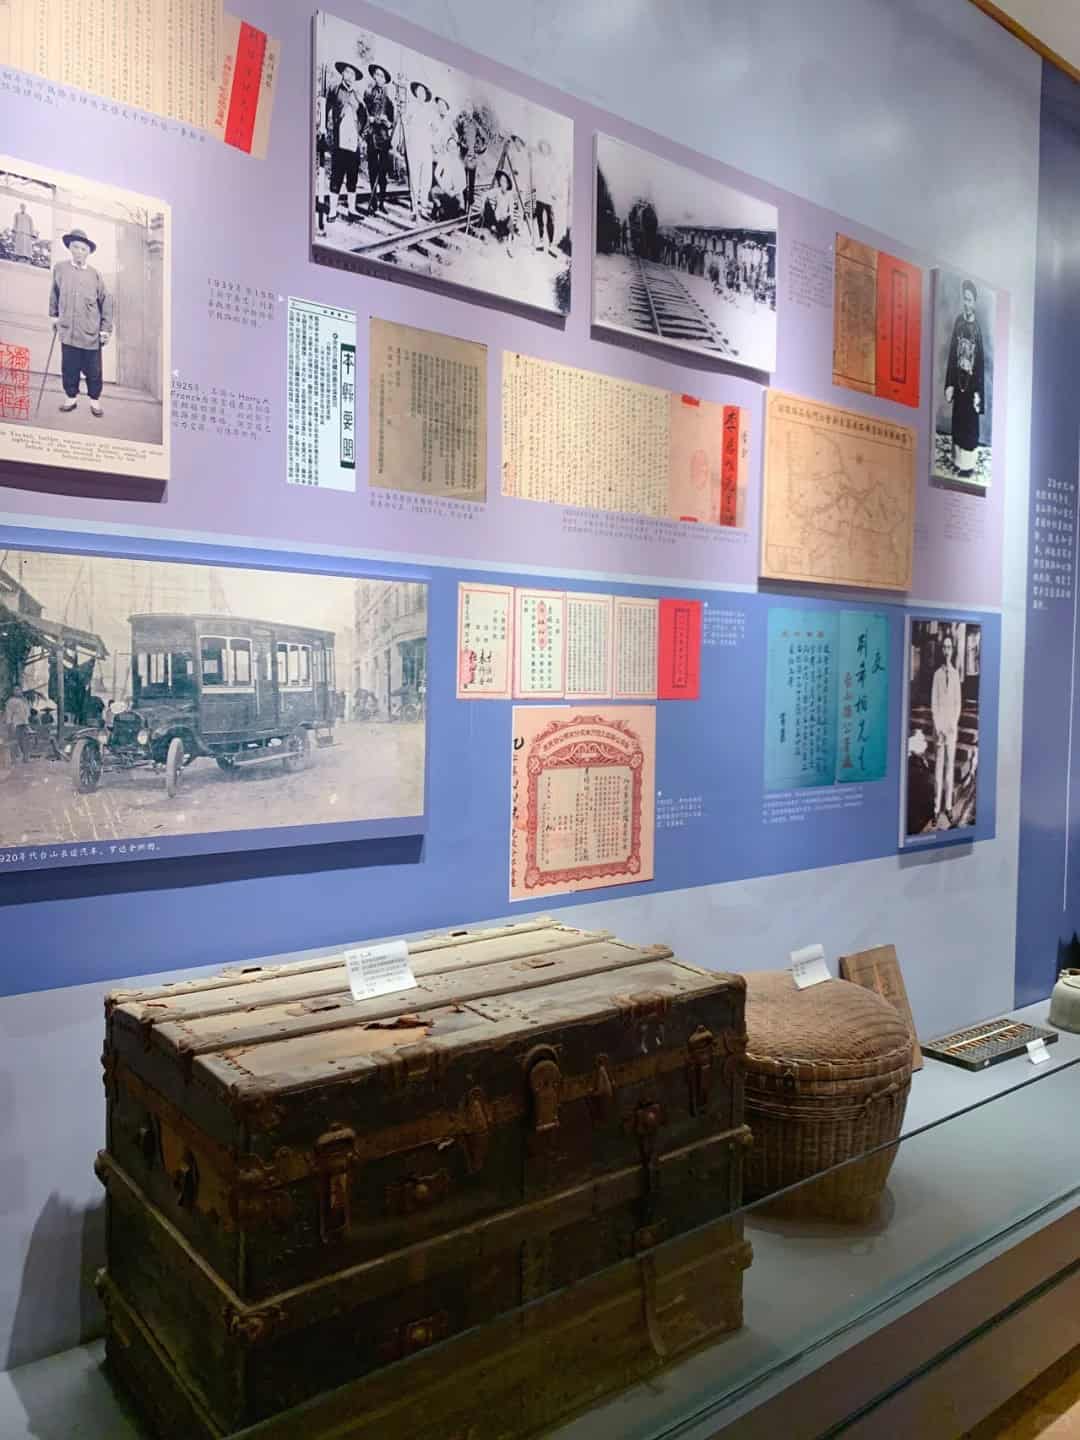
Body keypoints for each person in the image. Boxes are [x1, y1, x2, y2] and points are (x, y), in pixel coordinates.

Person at [49, 227, 112, 418]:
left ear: (88, 252)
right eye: (75, 247)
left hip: (90, 332)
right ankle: (71, 398)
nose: (79, 252)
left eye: (83, 249)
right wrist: (54, 316)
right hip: (68, 331)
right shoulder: (60, 269)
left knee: (93, 370)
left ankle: (95, 400)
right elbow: (54, 294)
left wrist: (105, 330)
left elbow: (106, 301)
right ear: (70, 248)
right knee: (69, 367)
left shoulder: (95, 274)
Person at [944, 279, 986, 478]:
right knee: (958, 420)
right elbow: (953, 354)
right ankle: (957, 461)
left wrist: (978, 393)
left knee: (969, 422)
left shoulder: (977, 330)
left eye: (969, 299)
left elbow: (980, 365)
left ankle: (968, 466)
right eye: (964, 299)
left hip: (970, 385)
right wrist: (949, 383)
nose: (966, 303)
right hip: (958, 379)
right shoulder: (958, 322)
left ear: (975, 302)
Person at [323, 61, 367, 223]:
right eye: (347, 72)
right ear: (343, 73)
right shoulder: (334, 90)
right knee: (336, 175)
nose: (349, 76)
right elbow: (326, 110)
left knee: (352, 175)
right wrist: (327, 132)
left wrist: (361, 135)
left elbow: (364, 116)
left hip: (353, 141)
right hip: (339, 139)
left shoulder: (357, 95)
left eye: (352, 74)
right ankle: (332, 211)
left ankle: (352, 209)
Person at [931, 631, 963, 825]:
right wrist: (939, 726)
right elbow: (933, 704)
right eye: (944, 647)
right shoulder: (936, 675)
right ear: (941, 650)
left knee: (950, 769)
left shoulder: (956, 674)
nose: (947, 650)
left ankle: (948, 807)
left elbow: (958, 703)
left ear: (953, 650)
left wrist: (953, 723)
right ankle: (936, 809)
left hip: (951, 730)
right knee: (938, 770)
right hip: (939, 731)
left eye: (950, 647)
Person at [363, 63, 395, 215]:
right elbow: (363, 114)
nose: (379, 78)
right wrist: (369, 119)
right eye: (377, 75)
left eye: (381, 76)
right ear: (374, 77)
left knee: (383, 172)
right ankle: (373, 201)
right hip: (371, 136)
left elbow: (391, 123)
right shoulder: (367, 94)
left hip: (383, 138)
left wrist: (385, 121)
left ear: (385, 80)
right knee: (372, 169)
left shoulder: (388, 101)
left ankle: (382, 202)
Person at [404, 80, 434, 219]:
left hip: (426, 146)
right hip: (414, 145)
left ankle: (422, 206)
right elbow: (405, 123)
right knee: (414, 177)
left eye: (423, 91)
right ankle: (414, 208)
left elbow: (434, 129)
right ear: (416, 93)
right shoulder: (410, 107)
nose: (420, 93)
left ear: (425, 94)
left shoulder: (429, 111)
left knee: (426, 178)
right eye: (418, 91)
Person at [455, 107, 486, 221]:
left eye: (470, 111)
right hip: (463, 157)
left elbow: (484, 139)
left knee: (471, 184)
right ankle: (463, 206)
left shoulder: (477, 125)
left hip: (473, 158)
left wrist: (479, 149)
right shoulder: (461, 123)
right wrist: (461, 143)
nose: (468, 113)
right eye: (467, 110)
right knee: (463, 182)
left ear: (472, 112)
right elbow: (456, 137)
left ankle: (470, 207)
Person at [530, 137, 559, 256]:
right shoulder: (538, 161)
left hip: (549, 195)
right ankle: (541, 241)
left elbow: (555, 179)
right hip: (540, 194)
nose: (543, 149)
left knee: (550, 220)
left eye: (545, 147)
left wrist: (553, 191)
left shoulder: (552, 162)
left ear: (548, 149)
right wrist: (534, 186)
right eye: (541, 148)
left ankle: (551, 244)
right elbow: (536, 176)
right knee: (540, 219)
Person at [481, 169, 516, 256]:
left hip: (503, 221)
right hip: (496, 219)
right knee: (487, 204)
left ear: (507, 184)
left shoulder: (510, 195)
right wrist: (482, 205)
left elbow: (511, 211)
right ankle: (489, 232)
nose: (502, 183)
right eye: (501, 181)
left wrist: (505, 215)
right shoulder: (497, 191)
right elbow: (485, 194)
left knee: (510, 221)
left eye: (504, 181)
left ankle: (509, 246)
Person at [3, 689, 31, 763]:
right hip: (15, 724)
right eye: (16, 690)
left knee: (24, 741)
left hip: (24, 723)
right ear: (13, 692)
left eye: (19, 690)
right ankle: (13, 759)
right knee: (14, 741)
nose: (18, 691)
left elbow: (27, 713)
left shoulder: (24, 701)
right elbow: (9, 713)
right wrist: (10, 723)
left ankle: (25, 758)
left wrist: (27, 724)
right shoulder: (10, 701)